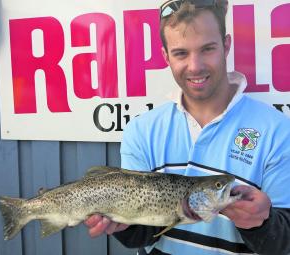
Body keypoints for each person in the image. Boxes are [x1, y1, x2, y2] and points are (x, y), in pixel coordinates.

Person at [85, 0, 290, 254]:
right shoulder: (141, 130)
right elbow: (142, 235)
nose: (195, 66)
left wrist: (262, 224)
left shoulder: (278, 131)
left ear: (226, 46)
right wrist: (121, 226)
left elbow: (285, 242)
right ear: (166, 56)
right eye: (181, 53)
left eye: (207, 49)